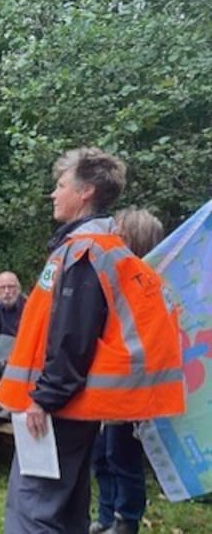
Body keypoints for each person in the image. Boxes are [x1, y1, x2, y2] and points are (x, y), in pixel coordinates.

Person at [0, 147, 184, 534]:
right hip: (76, 404)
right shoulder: (100, 249)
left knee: (33, 510)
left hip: (58, 406)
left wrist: (44, 399)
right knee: (66, 510)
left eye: (61, 185)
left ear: (85, 193)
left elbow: (71, 338)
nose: (53, 194)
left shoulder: (84, 252)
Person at [89, 207, 165, 534]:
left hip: (133, 384)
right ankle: (106, 517)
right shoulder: (114, 276)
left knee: (123, 456)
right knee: (101, 456)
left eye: (120, 233)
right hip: (106, 383)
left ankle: (126, 519)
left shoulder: (149, 284)